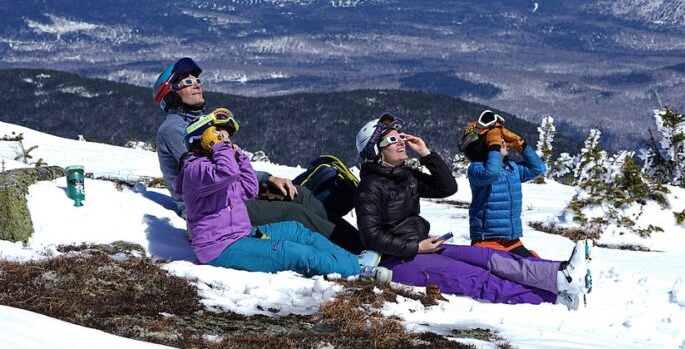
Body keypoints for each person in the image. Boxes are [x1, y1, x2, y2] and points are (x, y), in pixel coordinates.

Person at [354, 113, 592, 309]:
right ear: (376, 151)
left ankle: (561, 276)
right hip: (398, 260)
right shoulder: (370, 187)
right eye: (392, 139)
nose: (400, 142)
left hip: (423, 247)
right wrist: (416, 247)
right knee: (476, 279)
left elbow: (446, 187)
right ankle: (558, 300)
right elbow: (371, 236)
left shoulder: (405, 176)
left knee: (490, 259)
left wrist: (426, 154)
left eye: (399, 137)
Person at [152, 57, 363, 253]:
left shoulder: (202, 123)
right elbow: (203, 177)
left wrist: (267, 179)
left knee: (300, 195)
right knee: (293, 213)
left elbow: (229, 165)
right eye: (187, 81)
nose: (197, 84)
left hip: (231, 195)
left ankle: (359, 241)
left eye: (197, 79)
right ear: (170, 95)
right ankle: (357, 251)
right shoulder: (172, 130)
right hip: (215, 209)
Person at [174, 111, 389, 280]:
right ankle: (358, 271)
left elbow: (249, 189)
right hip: (219, 248)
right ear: (204, 140)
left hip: (241, 234)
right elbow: (227, 173)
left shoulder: (214, 169)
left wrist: (240, 158)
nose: (228, 141)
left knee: (296, 231)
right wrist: (222, 148)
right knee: (291, 251)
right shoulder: (195, 170)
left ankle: (352, 260)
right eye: (220, 135)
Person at [459, 110, 546, 257]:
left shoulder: (512, 168)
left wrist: (521, 145)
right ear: (484, 146)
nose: (502, 142)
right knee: (512, 273)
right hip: (486, 240)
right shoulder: (476, 169)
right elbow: (491, 173)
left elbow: (538, 169)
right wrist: (494, 147)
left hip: (512, 240)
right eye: (497, 139)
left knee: (533, 266)